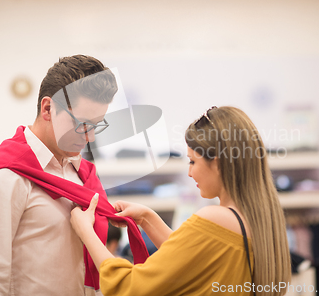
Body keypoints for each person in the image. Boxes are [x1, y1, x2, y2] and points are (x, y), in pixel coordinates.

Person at [0, 55, 149, 296]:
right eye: (82, 124)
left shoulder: (81, 173)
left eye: (96, 125)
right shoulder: (7, 177)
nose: (90, 137)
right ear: (48, 108)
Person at [70, 106, 292, 296]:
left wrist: (86, 232)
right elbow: (191, 260)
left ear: (218, 163)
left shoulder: (215, 217)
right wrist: (147, 218)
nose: (189, 173)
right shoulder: (262, 221)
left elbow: (131, 288)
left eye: (192, 161)